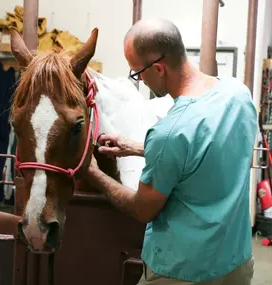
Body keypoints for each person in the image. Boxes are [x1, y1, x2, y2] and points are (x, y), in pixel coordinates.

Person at [86, 18, 257, 285]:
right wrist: (134, 147)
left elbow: (143, 209)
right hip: (236, 261)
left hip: (182, 271)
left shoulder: (169, 132)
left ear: (158, 69)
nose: (140, 80)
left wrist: (94, 173)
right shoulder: (238, 94)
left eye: (137, 73)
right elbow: (207, 149)